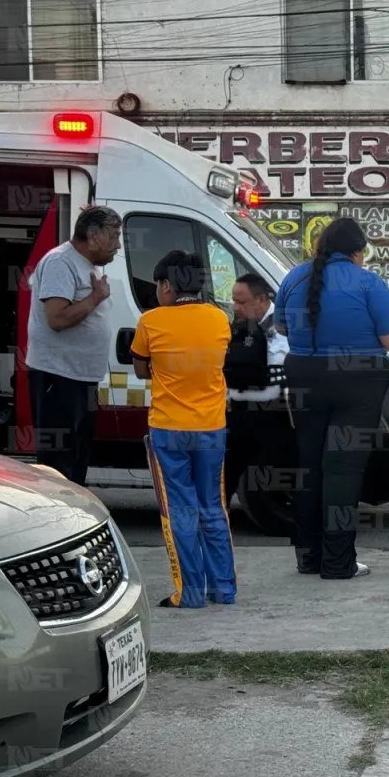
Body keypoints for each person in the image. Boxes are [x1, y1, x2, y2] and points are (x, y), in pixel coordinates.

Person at [275, 217, 389, 580]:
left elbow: (282, 327)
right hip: (359, 381)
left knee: (310, 466)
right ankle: (338, 562)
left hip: (304, 376)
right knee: (343, 470)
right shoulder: (368, 283)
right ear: (357, 251)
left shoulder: (294, 278)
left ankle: (308, 557)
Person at [131, 250, 236, 609]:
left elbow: (142, 370)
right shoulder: (220, 319)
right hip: (211, 428)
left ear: (165, 285)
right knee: (213, 507)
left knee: (180, 509)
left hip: (169, 428)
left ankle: (189, 593)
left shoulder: (150, 321)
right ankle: (224, 590)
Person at [25, 205, 122, 485]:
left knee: (77, 459)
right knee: (59, 465)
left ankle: (75, 518)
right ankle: (57, 522)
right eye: (114, 236)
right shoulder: (60, 262)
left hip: (79, 378)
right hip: (58, 377)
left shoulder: (85, 264)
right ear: (93, 235)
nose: (117, 245)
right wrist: (95, 299)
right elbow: (56, 318)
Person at [224, 273, 295, 516]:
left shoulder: (280, 328)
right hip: (250, 414)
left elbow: (275, 371)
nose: (236, 308)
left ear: (261, 300)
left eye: (241, 302)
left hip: (277, 417)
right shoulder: (246, 326)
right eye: (234, 301)